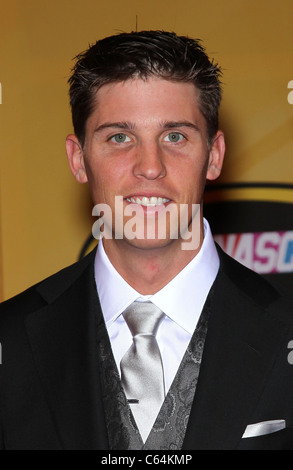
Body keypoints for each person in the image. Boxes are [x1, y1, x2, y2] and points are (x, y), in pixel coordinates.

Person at [1, 30, 293, 451]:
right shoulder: (9, 345)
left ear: (214, 155)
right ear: (78, 159)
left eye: (175, 136)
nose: (150, 167)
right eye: (119, 137)